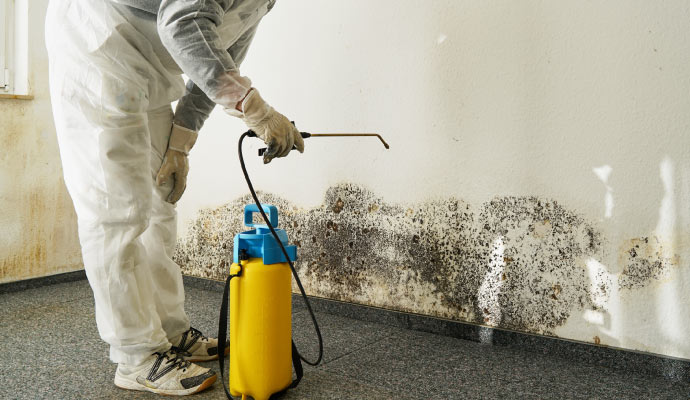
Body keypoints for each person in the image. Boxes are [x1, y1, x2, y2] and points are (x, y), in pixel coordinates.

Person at [45, 0, 303, 396]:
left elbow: (219, 57)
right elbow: (184, 21)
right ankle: (136, 355)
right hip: (97, 50)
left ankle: (170, 330)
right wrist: (255, 109)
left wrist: (181, 142)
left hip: (146, 68)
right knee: (117, 212)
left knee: (160, 200)